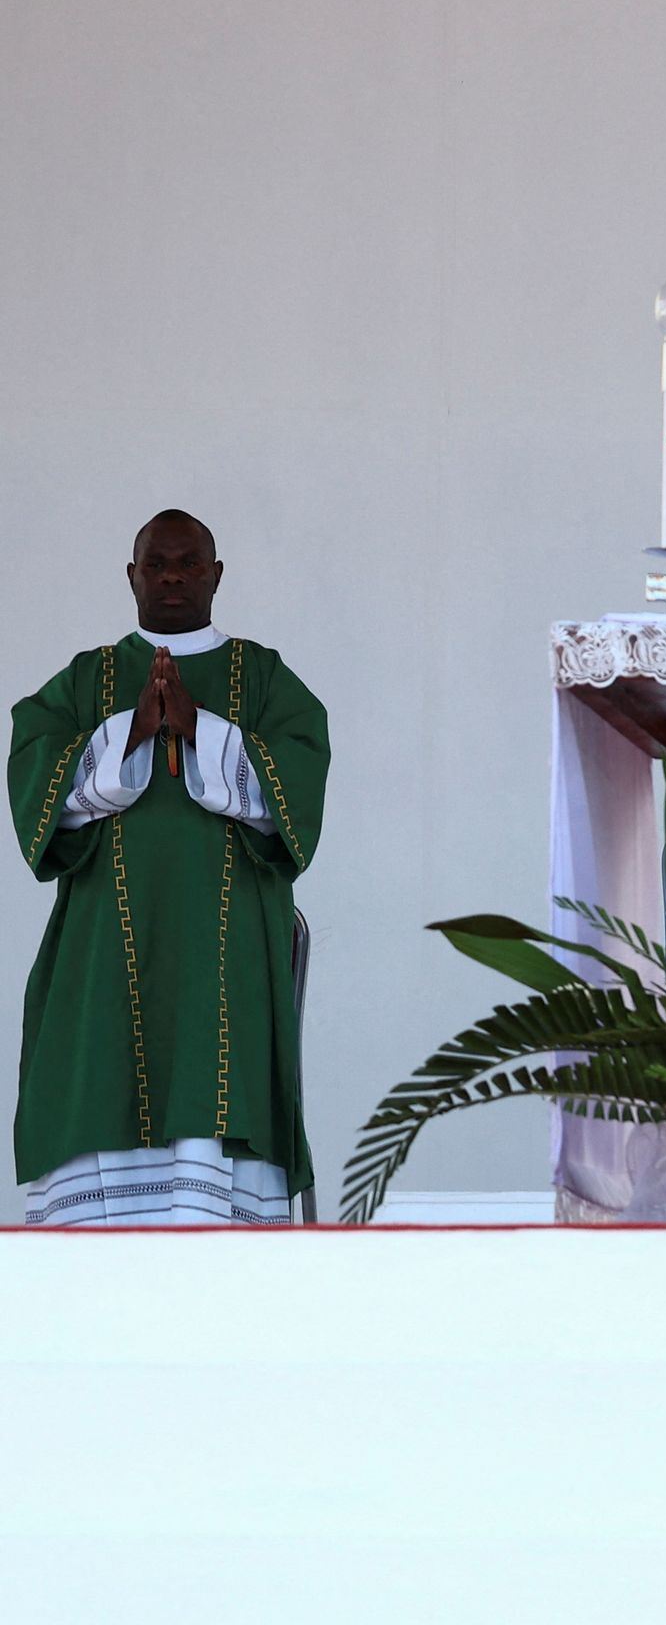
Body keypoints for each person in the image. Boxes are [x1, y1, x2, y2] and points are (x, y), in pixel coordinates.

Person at [9, 512, 328, 1224]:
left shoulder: (268, 678)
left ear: (216, 575)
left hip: (229, 947)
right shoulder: (85, 679)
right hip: (102, 950)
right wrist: (131, 731)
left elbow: (299, 795)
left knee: (211, 1102)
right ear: (132, 576)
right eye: (157, 563)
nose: (173, 576)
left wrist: (201, 729)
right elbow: (33, 770)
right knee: (102, 1075)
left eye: (190, 563)